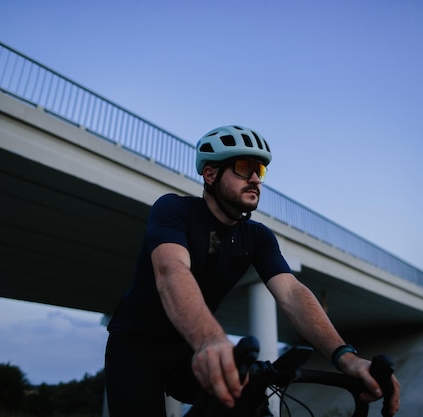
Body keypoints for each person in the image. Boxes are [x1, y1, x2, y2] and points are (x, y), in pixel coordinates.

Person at [104, 125, 400, 416]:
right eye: (245, 168)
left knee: (250, 400)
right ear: (210, 174)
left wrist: (344, 357)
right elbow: (172, 270)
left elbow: (292, 293)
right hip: (137, 345)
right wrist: (210, 339)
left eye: (261, 172)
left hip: (188, 349)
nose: (256, 179)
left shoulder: (258, 236)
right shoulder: (174, 210)